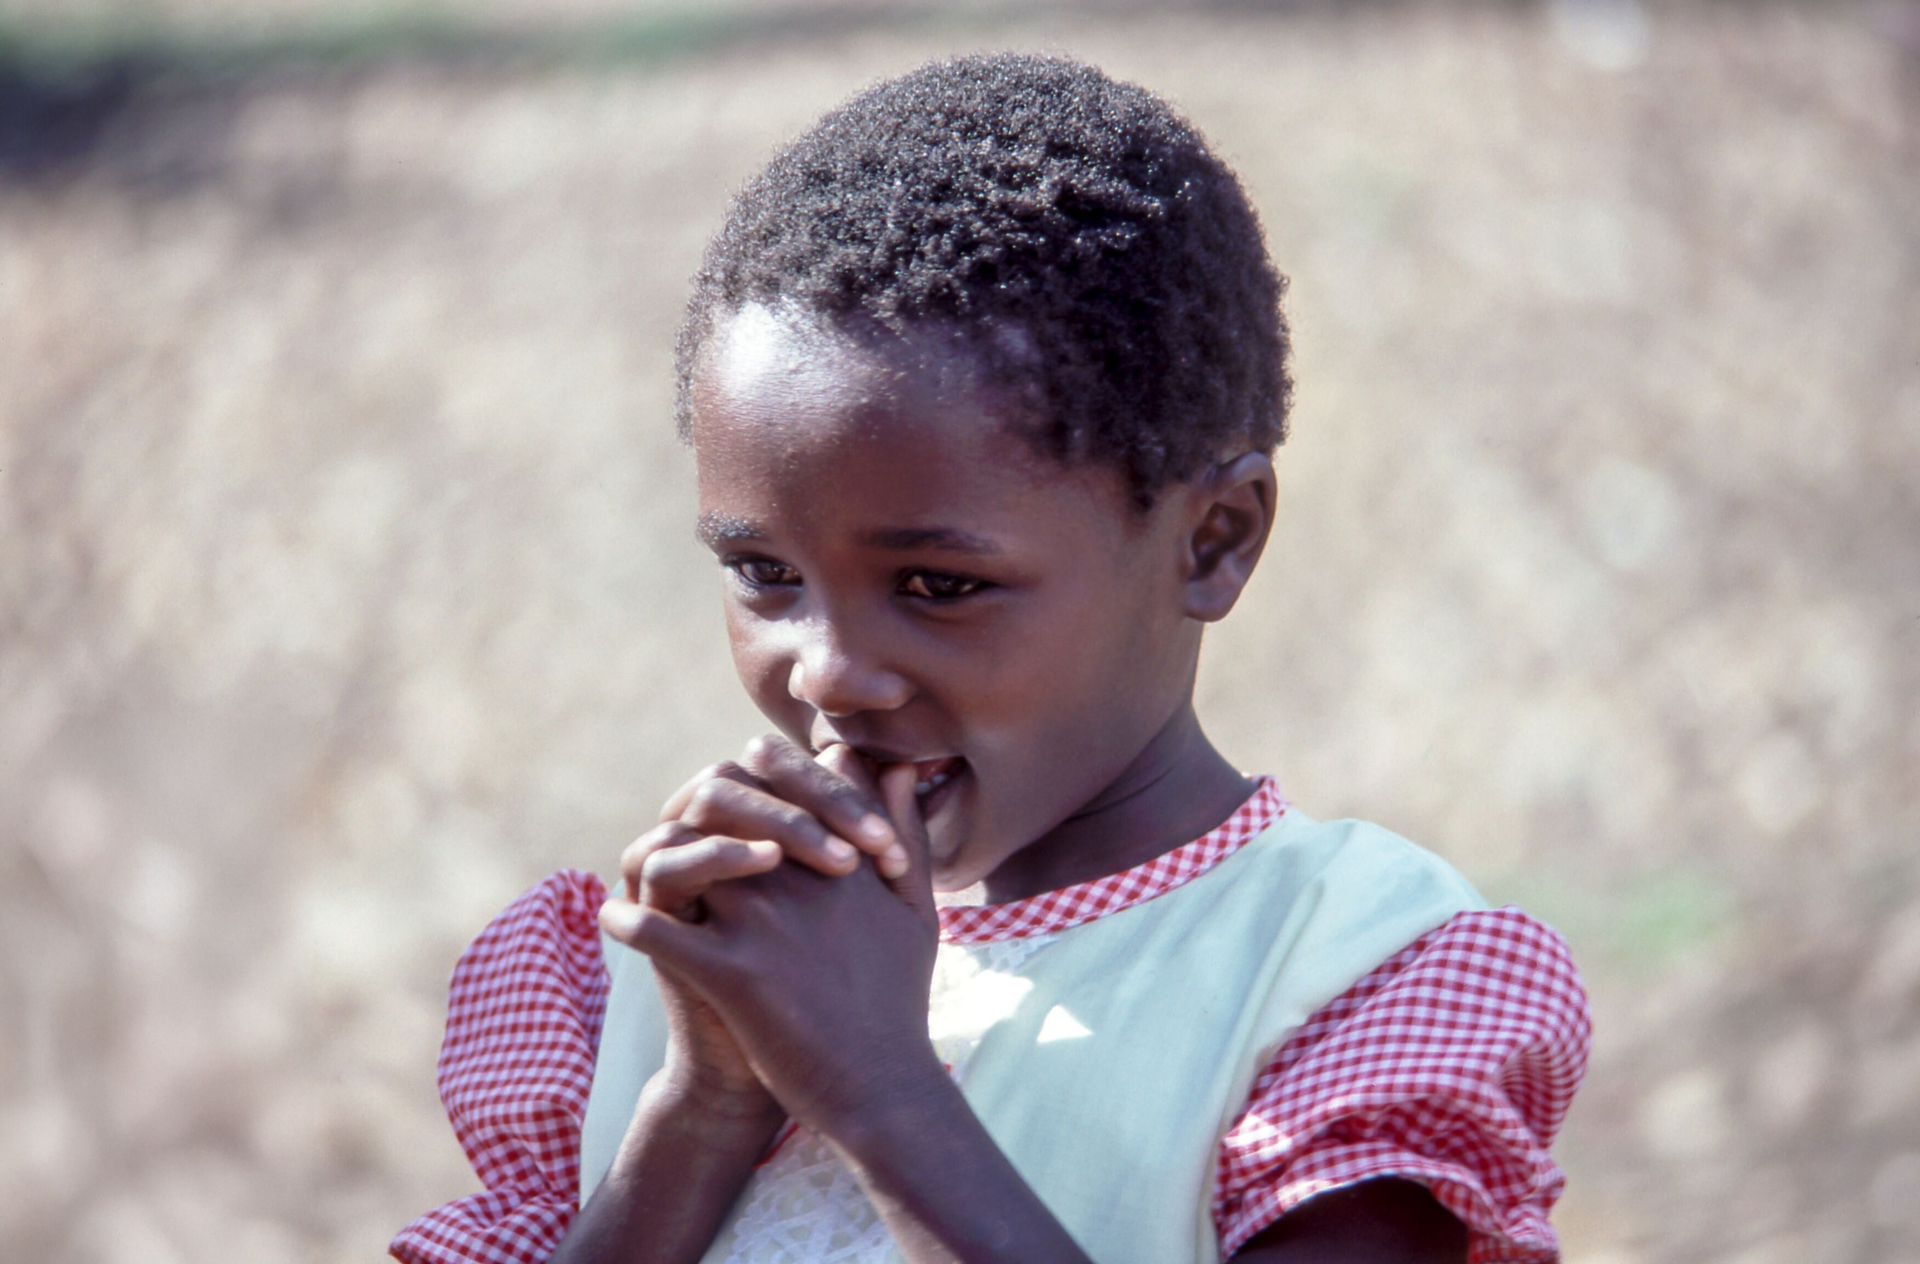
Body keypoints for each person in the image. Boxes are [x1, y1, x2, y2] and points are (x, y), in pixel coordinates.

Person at [390, 53, 1590, 1264]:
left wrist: (876, 1089)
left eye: (939, 586)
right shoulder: (642, 986)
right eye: (765, 576)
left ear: (1212, 540)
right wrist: (700, 1111)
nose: (827, 673)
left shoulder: (1343, 972)